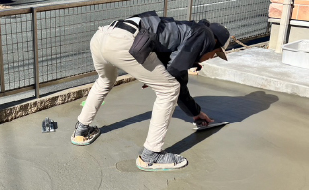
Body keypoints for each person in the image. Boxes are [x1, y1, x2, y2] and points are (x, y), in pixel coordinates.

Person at [71, 11, 231, 171]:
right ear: (215, 41)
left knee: (105, 80)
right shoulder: (205, 35)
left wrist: (195, 112)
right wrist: (162, 81)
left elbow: (174, 73)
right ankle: (151, 155)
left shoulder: (183, 32)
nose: (212, 57)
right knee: (169, 90)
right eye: (216, 53)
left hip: (102, 36)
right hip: (125, 41)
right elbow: (175, 75)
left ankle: (82, 130)